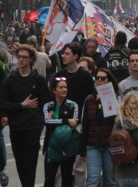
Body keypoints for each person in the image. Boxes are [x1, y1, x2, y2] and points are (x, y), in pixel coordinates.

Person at [0, 44, 50, 187]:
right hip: (16, 126)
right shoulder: (9, 80)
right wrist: (20, 106)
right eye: (19, 57)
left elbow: (47, 102)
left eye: (24, 57)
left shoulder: (38, 80)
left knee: (29, 161)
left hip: (33, 125)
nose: (21, 60)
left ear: (31, 59)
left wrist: (42, 119)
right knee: (20, 161)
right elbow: (2, 103)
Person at [54, 42, 96, 187]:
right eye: (62, 53)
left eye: (67, 53)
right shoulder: (60, 75)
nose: (63, 56)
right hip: (63, 124)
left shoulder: (85, 76)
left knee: (79, 166)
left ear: (76, 56)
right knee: (59, 165)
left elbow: (91, 100)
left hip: (79, 125)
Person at [80, 68, 118, 187]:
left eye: (103, 78)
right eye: (97, 78)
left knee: (110, 181)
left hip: (110, 146)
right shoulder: (89, 99)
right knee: (92, 179)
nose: (99, 81)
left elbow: (117, 121)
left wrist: (106, 98)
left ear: (109, 81)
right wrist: (82, 149)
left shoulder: (116, 98)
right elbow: (84, 124)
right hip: (92, 146)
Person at [43, 77, 79, 187]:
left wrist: (55, 120)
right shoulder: (48, 106)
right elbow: (47, 121)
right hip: (51, 146)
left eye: (65, 87)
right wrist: (66, 120)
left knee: (67, 179)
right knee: (49, 180)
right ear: (54, 90)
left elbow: (74, 124)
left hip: (68, 146)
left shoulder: (73, 105)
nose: (64, 90)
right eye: (61, 87)